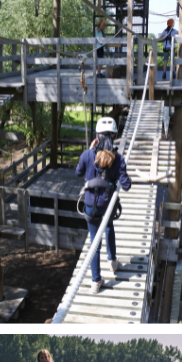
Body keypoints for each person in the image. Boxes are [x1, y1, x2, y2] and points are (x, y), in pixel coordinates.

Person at [75, 117, 131, 294]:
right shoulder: (119, 159)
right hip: (107, 206)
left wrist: (88, 156)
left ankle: (95, 281)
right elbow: (127, 185)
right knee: (108, 227)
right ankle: (113, 261)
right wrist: (117, 178)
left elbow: (78, 173)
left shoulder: (87, 155)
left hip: (91, 206)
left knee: (94, 243)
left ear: (97, 136)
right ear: (114, 136)